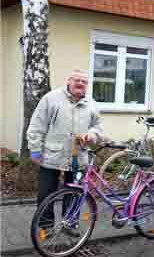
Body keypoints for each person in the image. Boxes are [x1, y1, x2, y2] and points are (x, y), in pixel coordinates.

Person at [27, 69, 103, 233]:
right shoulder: (51, 98)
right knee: (46, 194)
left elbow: (98, 126)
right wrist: (35, 150)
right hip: (51, 155)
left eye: (84, 81)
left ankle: (70, 223)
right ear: (69, 81)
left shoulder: (91, 103)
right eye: (77, 80)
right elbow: (36, 126)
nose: (80, 83)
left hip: (78, 156)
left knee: (75, 192)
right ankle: (45, 227)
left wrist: (92, 135)